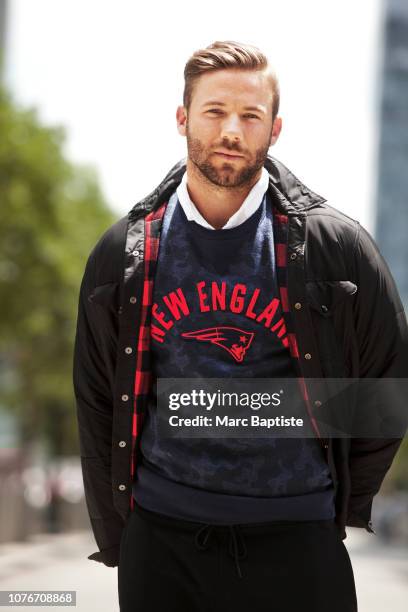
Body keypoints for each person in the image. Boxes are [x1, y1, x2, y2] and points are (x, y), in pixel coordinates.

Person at [73, 40, 408, 612]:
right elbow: (98, 398)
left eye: (251, 115)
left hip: (299, 545)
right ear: (183, 119)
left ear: (274, 129)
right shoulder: (123, 252)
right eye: (214, 111)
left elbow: (386, 390)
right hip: (163, 545)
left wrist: (333, 504)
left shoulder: (338, 249)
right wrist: (125, 530)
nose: (232, 129)